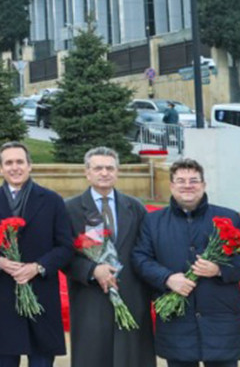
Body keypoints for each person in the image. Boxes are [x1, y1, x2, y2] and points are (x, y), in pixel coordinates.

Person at [133, 157, 240, 367]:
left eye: (194, 180)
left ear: (203, 185)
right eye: (181, 181)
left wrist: (219, 269)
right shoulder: (153, 221)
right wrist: (167, 278)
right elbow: (140, 259)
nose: (187, 186)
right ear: (171, 185)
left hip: (221, 321)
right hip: (177, 322)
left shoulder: (228, 217)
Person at [0, 141, 72, 367]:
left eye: (20, 162)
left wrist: (38, 267)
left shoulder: (52, 200)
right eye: (8, 163)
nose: (14, 167)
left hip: (41, 296)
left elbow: (65, 246)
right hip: (4, 298)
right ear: (0, 168)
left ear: (30, 166)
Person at [64, 146, 153, 367]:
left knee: (131, 357)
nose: (104, 173)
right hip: (90, 297)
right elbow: (63, 254)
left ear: (117, 172)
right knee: (94, 356)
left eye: (110, 168)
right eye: (98, 168)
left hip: (131, 294)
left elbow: (146, 250)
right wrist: (92, 270)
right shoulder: (70, 209)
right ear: (87, 173)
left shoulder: (135, 207)